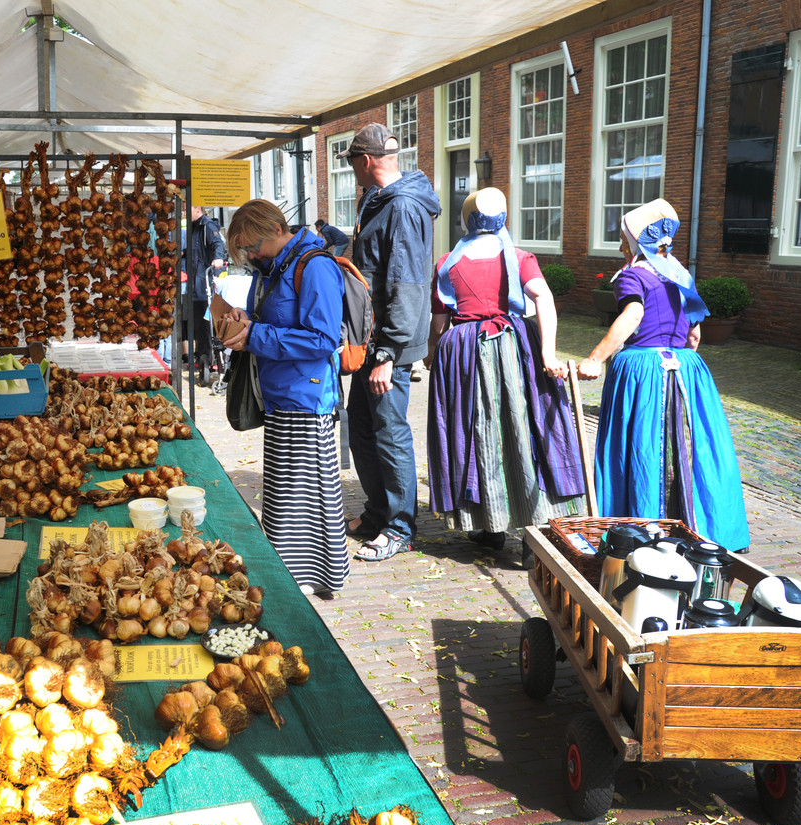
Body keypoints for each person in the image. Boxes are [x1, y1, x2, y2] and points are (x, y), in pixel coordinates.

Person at [577, 198, 750, 552]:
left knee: (643, 445)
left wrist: (596, 358)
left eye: (624, 237)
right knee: (687, 448)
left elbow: (634, 316)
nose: (620, 244)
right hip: (687, 370)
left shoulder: (633, 275)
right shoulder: (680, 274)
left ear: (636, 241)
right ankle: (693, 526)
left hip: (643, 373)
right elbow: (694, 335)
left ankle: (644, 530)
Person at [427, 188, 586, 557]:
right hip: (517, 350)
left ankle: (490, 524)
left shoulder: (447, 263)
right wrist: (547, 351)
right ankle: (535, 529)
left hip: (465, 354)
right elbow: (542, 297)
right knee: (525, 430)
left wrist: (434, 353)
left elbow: (438, 322)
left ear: (467, 220)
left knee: (476, 433)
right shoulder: (518, 258)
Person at [219, 199, 350, 597]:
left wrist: (254, 336)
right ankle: (297, 576)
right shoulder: (274, 266)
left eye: (252, 246)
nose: (250, 255)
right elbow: (280, 321)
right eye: (244, 250)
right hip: (282, 395)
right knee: (286, 494)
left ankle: (303, 580)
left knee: (303, 494)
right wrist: (247, 321)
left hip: (306, 398)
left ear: (276, 230)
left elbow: (324, 338)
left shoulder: (315, 267)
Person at [340, 123, 441, 562]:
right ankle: (379, 511)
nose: (352, 172)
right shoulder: (376, 200)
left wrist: (387, 353)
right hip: (370, 340)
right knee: (362, 429)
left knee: (390, 433)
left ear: (366, 161)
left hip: (387, 350)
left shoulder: (403, 207)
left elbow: (408, 284)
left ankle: (401, 527)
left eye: (352, 164)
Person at [187, 206, 228, 382]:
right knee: (199, 321)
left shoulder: (207, 226)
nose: (183, 212)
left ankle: (209, 353)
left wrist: (218, 258)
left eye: (186, 208)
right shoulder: (193, 227)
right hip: (196, 282)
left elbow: (218, 244)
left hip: (205, 282)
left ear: (197, 209)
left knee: (206, 320)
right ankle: (202, 353)